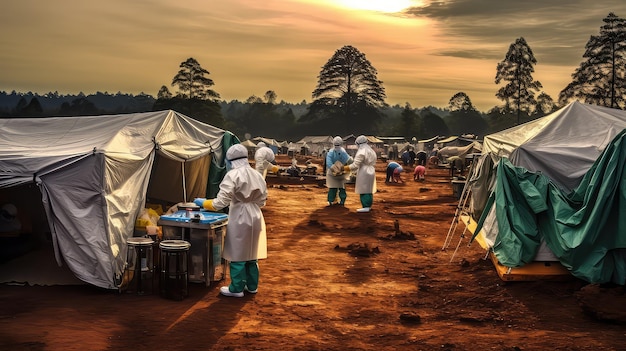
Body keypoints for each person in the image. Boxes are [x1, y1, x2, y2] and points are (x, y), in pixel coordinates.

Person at [194, 144, 268, 298]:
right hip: (256, 215)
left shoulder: (233, 175)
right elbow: (262, 201)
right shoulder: (257, 174)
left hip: (240, 216)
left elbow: (219, 203)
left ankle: (236, 289)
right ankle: (251, 286)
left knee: (238, 253)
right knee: (251, 253)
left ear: (230, 161)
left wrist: (203, 202)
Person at [343, 135, 377, 213]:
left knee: (364, 189)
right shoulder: (371, 150)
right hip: (371, 170)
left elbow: (355, 165)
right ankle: (368, 205)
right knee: (369, 189)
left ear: (358, 143)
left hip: (364, 171)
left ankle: (365, 206)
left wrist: (344, 168)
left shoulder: (361, 151)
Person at [326, 136, 352, 206]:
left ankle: (331, 201)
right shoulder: (343, 151)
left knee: (333, 187)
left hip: (333, 172)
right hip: (341, 171)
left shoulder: (330, 152)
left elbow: (328, 163)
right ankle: (342, 201)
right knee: (342, 187)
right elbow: (349, 160)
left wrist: (334, 168)